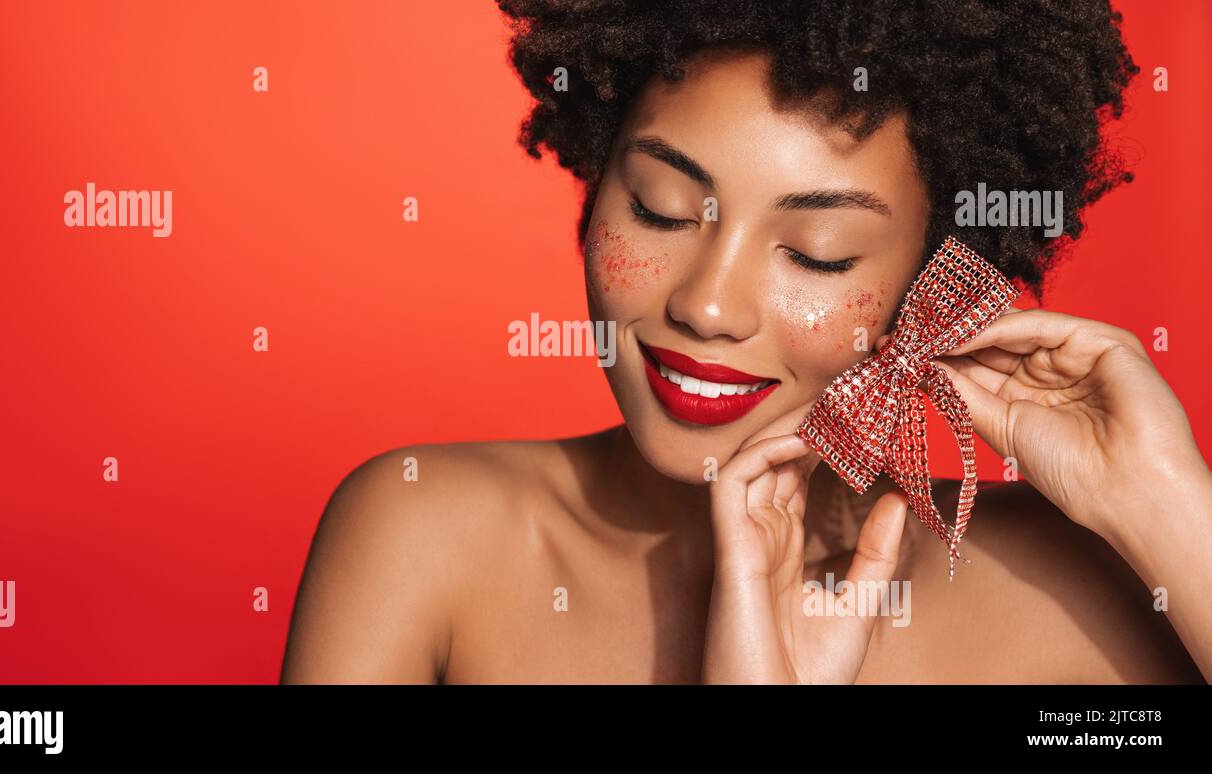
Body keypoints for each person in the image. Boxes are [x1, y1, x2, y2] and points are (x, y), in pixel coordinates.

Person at [281, 0, 1210, 683]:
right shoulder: (425, 538)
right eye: (659, 207)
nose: (708, 307)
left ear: (929, 286)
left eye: (816, 254)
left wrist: (1170, 510)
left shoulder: (1084, 585)